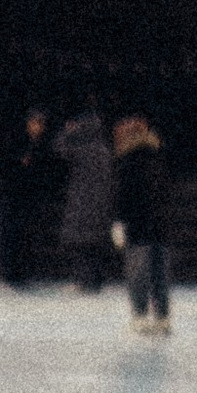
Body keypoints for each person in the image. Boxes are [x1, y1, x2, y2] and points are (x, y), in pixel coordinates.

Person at [111, 114, 171, 331]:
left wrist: (118, 222)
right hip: (160, 226)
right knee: (159, 275)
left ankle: (140, 314)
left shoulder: (127, 162)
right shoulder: (157, 158)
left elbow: (122, 196)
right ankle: (162, 316)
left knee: (138, 274)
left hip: (137, 226)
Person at [53, 101, 116, 295]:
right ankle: (95, 280)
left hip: (82, 203)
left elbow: (59, 149)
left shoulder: (81, 151)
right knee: (95, 244)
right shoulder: (105, 150)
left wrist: (67, 132)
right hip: (101, 205)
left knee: (80, 244)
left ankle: (83, 280)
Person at [4, 107, 60, 286]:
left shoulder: (45, 144)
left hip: (33, 196)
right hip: (15, 195)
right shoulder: (16, 142)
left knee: (29, 236)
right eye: (35, 123)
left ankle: (25, 272)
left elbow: (48, 170)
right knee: (14, 235)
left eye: (40, 123)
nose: (38, 127)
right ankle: (12, 273)